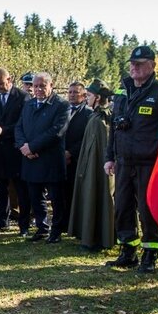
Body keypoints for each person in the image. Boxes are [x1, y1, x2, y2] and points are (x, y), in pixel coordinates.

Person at [104, 46, 158, 273]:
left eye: (140, 63)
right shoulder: (123, 90)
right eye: (132, 64)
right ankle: (128, 250)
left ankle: (151, 253)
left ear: (152, 66)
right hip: (124, 161)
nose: (134, 67)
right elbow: (114, 128)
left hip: (150, 163)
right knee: (123, 207)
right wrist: (110, 157)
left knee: (147, 209)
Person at [15, 72, 71, 243]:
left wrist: (32, 147)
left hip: (50, 159)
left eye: (42, 86)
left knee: (55, 198)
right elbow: (19, 127)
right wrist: (24, 147)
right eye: (36, 86)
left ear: (51, 85)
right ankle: (41, 228)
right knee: (35, 197)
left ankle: (56, 230)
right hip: (30, 159)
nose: (38, 89)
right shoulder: (29, 104)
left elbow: (56, 131)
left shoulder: (62, 105)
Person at [67, 79, 115, 250]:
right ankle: (89, 234)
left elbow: (103, 145)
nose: (86, 99)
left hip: (100, 168)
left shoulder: (102, 119)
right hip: (90, 166)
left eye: (88, 95)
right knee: (90, 195)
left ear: (98, 97)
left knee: (100, 195)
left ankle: (99, 237)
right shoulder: (95, 116)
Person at [0, 68, 30, 235]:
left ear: (10, 79)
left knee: (20, 189)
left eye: (1, 84)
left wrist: (4, 130)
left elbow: (23, 123)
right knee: (0, 189)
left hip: (15, 150)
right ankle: (1, 222)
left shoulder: (22, 97)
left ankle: (24, 225)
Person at [61, 81, 95, 231]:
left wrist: (70, 152)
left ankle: (76, 224)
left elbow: (87, 137)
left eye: (75, 92)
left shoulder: (88, 113)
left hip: (77, 159)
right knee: (61, 194)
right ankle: (62, 222)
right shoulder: (62, 110)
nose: (72, 95)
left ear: (83, 95)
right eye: (70, 92)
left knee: (74, 193)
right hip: (60, 157)